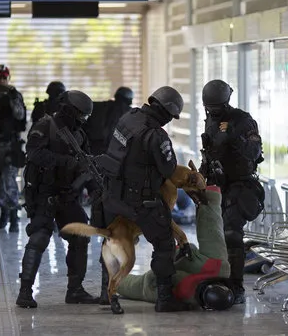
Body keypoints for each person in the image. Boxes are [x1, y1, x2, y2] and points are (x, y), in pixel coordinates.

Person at [97, 86, 188, 313]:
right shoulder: (156, 135)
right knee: (164, 244)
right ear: (167, 113)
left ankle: (104, 292)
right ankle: (165, 298)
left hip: (112, 195)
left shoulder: (129, 117)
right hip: (140, 201)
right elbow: (167, 168)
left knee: (112, 241)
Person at [16, 90, 100, 309]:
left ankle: (75, 290)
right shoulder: (46, 126)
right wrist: (66, 162)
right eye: (80, 115)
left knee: (81, 236)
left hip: (67, 194)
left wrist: (95, 188)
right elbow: (33, 154)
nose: (82, 120)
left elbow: (87, 166)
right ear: (70, 110)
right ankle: (25, 292)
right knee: (39, 238)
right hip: (44, 193)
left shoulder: (79, 135)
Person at [117, 186, 235, 311]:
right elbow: (211, 229)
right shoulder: (214, 270)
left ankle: (114, 280)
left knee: (144, 285)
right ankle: (116, 280)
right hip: (187, 265)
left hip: (182, 267)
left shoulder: (189, 287)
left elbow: (212, 227)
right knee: (142, 285)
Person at [199, 79, 264, 305]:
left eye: (216, 107)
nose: (213, 111)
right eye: (210, 108)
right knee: (214, 235)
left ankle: (236, 287)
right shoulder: (210, 119)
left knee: (232, 235)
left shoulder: (242, 120)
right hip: (216, 184)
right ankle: (219, 279)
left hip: (239, 185)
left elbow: (255, 151)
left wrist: (235, 138)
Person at [0, 65, 27, 232]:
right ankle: (5, 209)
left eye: (4, 77)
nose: (2, 80)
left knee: (9, 182)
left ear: (8, 78)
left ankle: (13, 217)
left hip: (11, 147)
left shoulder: (15, 96)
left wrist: (13, 96)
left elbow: (20, 116)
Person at [84, 86, 134, 155]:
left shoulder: (97, 106)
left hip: (93, 149)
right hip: (117, 153)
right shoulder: (131, 113)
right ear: (129, 99)